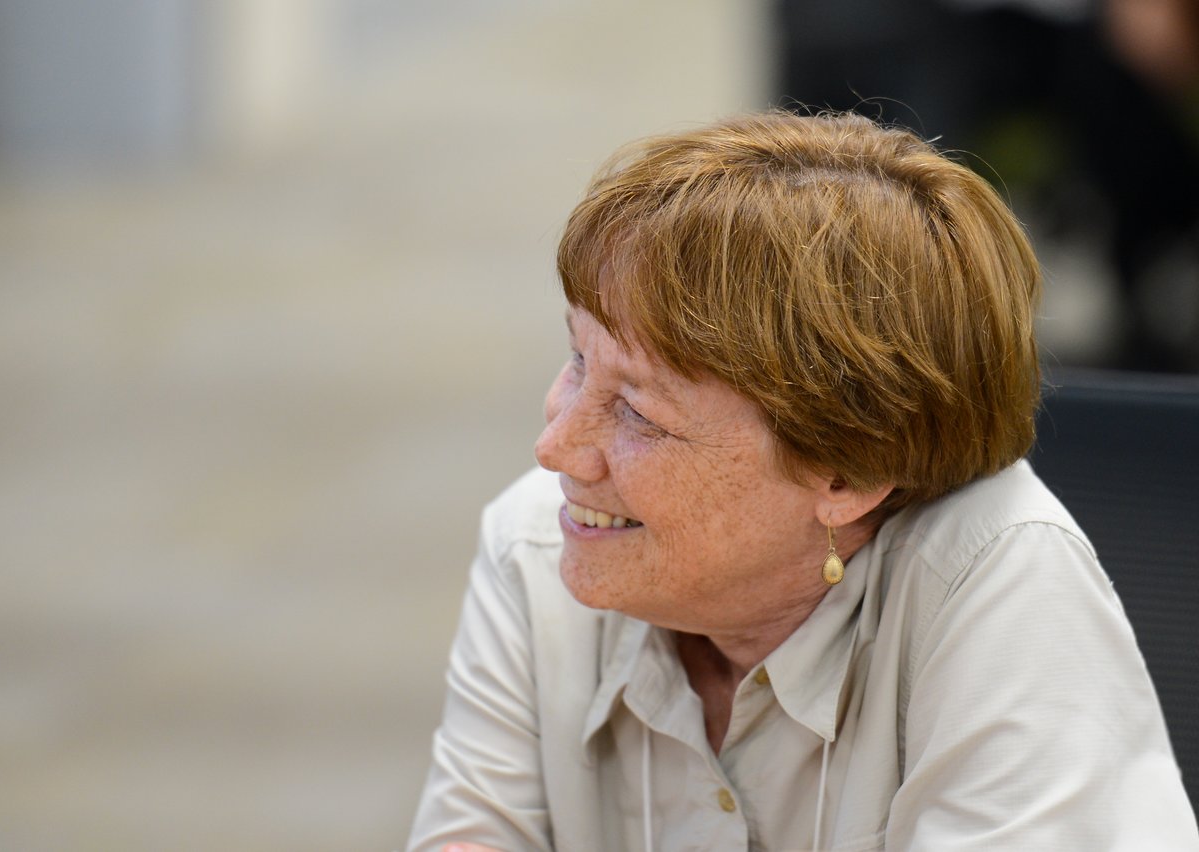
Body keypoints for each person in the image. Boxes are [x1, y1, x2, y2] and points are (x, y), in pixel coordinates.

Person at [407, 112, 1199, 851]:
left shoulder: (1001, 585)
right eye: (579, 361)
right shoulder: (535, 546)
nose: (556, 448)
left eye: (639, 414)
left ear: (847, 471)